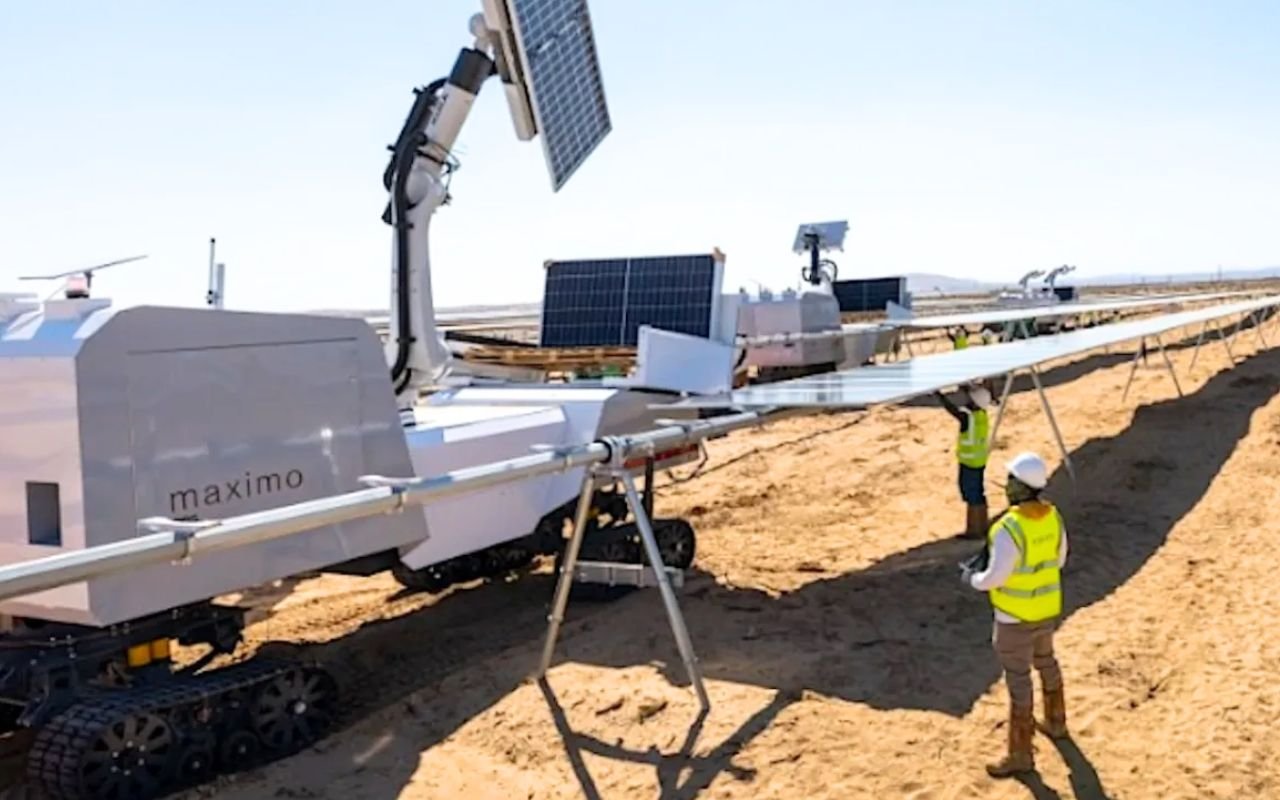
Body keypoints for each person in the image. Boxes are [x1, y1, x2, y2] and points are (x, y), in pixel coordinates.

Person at [961, 451, 1070, 778]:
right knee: (1047, 661)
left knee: (1018, 680)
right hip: (1046, 610)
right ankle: (1056, 721)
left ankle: (1021, 753)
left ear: (1021, 487)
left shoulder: (1008, 528)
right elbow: (1060, 559)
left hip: (1013, 617)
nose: (1006, 485)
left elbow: (995, 576)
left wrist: (973, 580)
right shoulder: (1053, 517)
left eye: (1011, 480)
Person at [935, 383, 995, 539]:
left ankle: (974, 530)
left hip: (969, 462)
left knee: (972, 496)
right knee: (978, 495)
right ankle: (982, 526)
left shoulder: (968, 418)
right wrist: (964, 386)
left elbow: (952, 410)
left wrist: (939, 395)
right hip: (979, 460)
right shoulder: (981, 415)